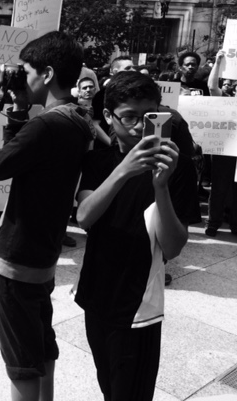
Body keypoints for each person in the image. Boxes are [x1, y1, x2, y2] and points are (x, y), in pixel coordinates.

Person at [0, 31, 94, 401]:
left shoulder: (48, 125)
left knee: (21, 359)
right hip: (43, 253)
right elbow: (26, 158)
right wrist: (19, 109)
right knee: (40, 341)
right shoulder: (76, 118)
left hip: (17, 258)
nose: (21, 77)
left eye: (25, 71)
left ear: (48, 73)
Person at [74, 71, 199, 401]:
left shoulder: (179, 167)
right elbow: (85, 218)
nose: (137, 126)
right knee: (108, 384)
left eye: (149, 116)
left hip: (139, 308)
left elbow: (172, 247)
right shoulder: (98, 161)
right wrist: (124, 169)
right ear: (108, 117)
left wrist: (161, 186)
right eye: (128, 116)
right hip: (94, 295)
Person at [205, 50, 237, 237]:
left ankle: (235, 224)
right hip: (224, 150)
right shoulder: (225, 101)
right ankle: (213, 223)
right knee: (219, 187)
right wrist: (218, 63)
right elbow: (211, 87)